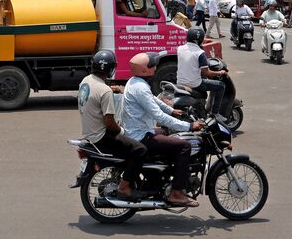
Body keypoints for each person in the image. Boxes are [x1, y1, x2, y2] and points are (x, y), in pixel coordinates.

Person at [122, 52, 203, 208]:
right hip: (141, 136)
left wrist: (172, 111)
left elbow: (153, 100)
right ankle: (176, 193)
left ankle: (164, 176)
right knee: (184, 146)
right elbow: (158, 115)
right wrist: (189, 126)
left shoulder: (135, 82)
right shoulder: (140, 88)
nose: (156, 66)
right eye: (152, 65)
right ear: (145, 70)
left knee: (167, 133)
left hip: (138, 130)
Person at [78, 51, 147, 201]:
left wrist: (113, 89)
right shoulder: (104, 91)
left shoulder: (86, 81)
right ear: (110, 69)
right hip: (102, 136)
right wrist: (122, 130)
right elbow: (109, 123)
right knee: (140, 149)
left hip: (89, 132)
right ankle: (125, 187)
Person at [176, 28, 226, 117]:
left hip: (180, 82)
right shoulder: (200, 53)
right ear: (198, 40)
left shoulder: (180, 49)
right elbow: (207, 73)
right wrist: (220, 72)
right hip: (194, 84)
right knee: (221, 86)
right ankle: (215, 113)